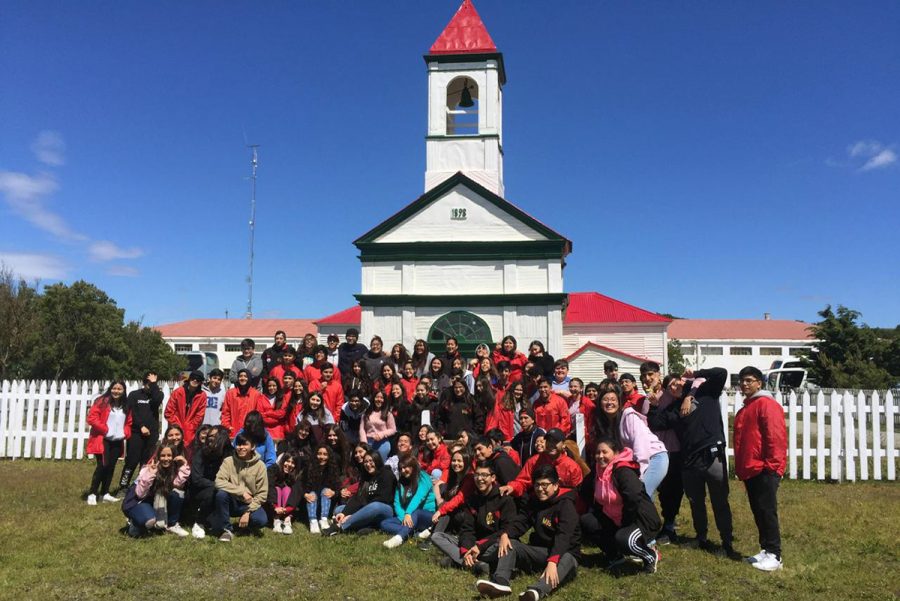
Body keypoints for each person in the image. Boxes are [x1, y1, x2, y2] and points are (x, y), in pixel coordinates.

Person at [647, 367, 734, 554]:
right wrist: (654, 406)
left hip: (711, 454)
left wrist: (693, 375)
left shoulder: (706, 392)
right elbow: (656, 423)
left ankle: (727, 542)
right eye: (669, 386)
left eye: (675, 382)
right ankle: (701, 537)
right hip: (689, 459)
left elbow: (721, 373)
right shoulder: (674, 409)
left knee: (719, 500)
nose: (673, 386)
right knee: (696, 501)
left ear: (682, 381)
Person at [487, 464, 581, 600]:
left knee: (567, 559)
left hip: (564, 553)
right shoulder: (534, 501)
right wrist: (506, 534)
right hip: (542, 552)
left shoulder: (566, 505)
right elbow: (521, 522)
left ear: (555, 485)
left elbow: (564, 537)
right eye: (537, 485)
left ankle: (536, 591)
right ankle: (501, 581)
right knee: (511, 544)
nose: (540, 489)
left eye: (545, 485)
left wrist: (553, 562)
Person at [733, 366, 787, 571]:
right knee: (759, 511)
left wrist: (772, 467)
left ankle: (775, 554)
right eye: (742, 380)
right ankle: (766, 550)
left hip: (764, 469)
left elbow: (776, 436)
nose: (744, 384)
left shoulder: (766, 404)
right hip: (751, 469)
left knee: (767, 511)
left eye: (749, 380)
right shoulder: (747, 407)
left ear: (759, 383)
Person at [580, 438, 660, 573]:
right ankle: (615, 556)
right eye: (597, 453)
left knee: (623, 539)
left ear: (616, 453)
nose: (600, 456)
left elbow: (633, 498)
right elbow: (584, 490)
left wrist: (625, 523)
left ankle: (650, 556)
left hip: (638, 518)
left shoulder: (623, 471)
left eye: (605, 452)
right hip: (614, 517)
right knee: (587, 521)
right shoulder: (597, 471)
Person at [433, 460, 517, 582]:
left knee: (507, 545)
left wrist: (480, 546)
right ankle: (475, 564)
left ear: (493, 478)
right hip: (474, 545)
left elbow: (506, 530)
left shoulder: (504, 499)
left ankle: (458, 560)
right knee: (437, 536)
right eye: (477, 475)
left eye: (484, 475)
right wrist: (467, 549)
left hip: (492, 545)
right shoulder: (472, 499)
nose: (479, 479)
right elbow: (467, 529)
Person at [591, 384, 668, 498]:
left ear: (619, 402)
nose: (609, 403)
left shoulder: (628, 416)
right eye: (605, 399)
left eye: (613, 399)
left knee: (641, 495)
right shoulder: (607, 424)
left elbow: (641, 444)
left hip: (654, 457)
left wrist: (640, 473)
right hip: (637, 461)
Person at [122, 443, 191, 537]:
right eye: (162, 455)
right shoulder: (148, 468)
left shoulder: (172, 469)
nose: (166, 459)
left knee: (178, 493)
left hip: (151, 500)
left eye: (169, 455)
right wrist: (150, 474)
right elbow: (140, 494)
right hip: (136, 502)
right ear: (158, 456)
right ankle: (135, 522)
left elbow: (177, 484)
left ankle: (172, 524)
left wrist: (184, 466)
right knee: (149, 521)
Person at [325, 449, 397, 535]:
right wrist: (344, 513)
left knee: (375, 506)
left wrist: (355, 514)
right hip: (367, 508)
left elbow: (383, 498)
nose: (368, 464)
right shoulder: (366, 477)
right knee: (339, 510)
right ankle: (370, 526)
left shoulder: (387, 474)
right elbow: (358, 498)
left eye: (371, 461)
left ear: (377, 461)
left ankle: (340, 526)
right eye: (365, 462)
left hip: (385, 509)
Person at [212, 433, 269, 541]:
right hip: (232, 501)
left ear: (253, 447)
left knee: (261, 520)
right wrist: (241, 492)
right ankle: (226, 530)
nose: (241, 447)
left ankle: (246, 526)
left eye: (244, 445)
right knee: (221, 494)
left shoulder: (260, 466)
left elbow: (262, 494)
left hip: (249, 503)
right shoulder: (228, 461)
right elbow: (218, 481)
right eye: (238, 444)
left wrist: (248, 512)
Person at [501, 429, 583, 498]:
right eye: (549, 441)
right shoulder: (534, 461)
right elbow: (522, 481)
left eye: (555, 442)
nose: (551, 445)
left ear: (564, 445)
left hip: (562, 504)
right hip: (538, 502)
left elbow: (577, 493)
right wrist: (511, 487)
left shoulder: (572, 467)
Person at [87, 380, 131, 505]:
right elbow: (92, 418)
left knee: (111, 467)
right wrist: (105, 430)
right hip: (103, 440)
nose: (116, 391)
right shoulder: (102, 402)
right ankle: (92, 493)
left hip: (117, 441)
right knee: (102, 466)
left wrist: (125, 433)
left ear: (123, 391)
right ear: (110, 389)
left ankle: (105, 493)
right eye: (114, 388)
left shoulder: (126, 405)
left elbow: (129, 422)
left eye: (119, 389)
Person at [117, 371, 163, 493]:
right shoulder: (134, 395)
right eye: (148, 383)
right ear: (143, 383)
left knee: (146, 462)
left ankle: (141, 486)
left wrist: (154, 385)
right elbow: (131, 412)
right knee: (131, 461)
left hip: (152, 434)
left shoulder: (157, 395)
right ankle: (123, 486)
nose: (150, 385)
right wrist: (141, 426)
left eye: (153, 383)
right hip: (136, 433)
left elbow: (157, 400)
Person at [381, 455, 437, 548]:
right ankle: (412, 532)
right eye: (400, 468)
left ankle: (399, 538)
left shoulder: (424, 477)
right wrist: (404, 517)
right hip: (410, 517)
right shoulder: (401, 482)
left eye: (405, 467)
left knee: (417, 512)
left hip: (426, 515)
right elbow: (397, 502)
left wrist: (408, 513)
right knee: (384, 523)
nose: (402, 471)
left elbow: (419, 497)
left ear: (413, 466)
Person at [185, 427, 232, 539]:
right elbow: (197, 479)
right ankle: (199, 521)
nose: (210, 438)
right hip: (199, 491)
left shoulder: (230, 453)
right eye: (209, 436)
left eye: (213, 436)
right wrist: (217, 485)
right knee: (212, 492)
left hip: (223, 490)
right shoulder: (201, 453)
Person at [297, 444, 341, 534]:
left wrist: (333, 492)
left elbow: (337, 488)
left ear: (329, 456)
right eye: (319, 454)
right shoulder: (309, 468)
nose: (322, 457)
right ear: (315, 455)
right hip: (311, 503)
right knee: (312, 493)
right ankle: (313, 521)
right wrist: (305, 495)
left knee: (326, 490)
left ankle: (323, 520)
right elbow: (300, 485)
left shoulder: (332, 470)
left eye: (325, 454)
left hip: (325, 504)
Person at [267, 452, 301, 534]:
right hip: (272, 506)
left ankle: (287, 521)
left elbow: (296, 493)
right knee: (277, 488)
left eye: (293, 463)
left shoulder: (296, 475)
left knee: (287, 489)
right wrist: (275, 507)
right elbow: (269, 487)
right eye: (287, 461)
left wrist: (288, 509)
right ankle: (276, 520)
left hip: (288, 508)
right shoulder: (273, 469)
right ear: (282, 461)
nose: (289, 464)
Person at [221, 369, 263, 436]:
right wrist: (227, 427)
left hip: (250, 433)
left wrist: (254, 429)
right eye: (240, 376)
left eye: (245, 376)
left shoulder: (256, 394)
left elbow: (258, 415)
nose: (243, 378)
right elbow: (225, 412)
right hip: (233, 432)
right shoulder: (230, 393)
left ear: (249, 378)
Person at [360, 389, 397, 462]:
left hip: (382, 443)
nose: (379, 399)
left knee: (379, 464)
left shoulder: (388, 414)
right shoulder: (366, 413)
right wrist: (364, 443)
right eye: (377, 397)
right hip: (368, 442)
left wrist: (381, 434)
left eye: (381, 398)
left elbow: (393, 429)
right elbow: (362, 429)